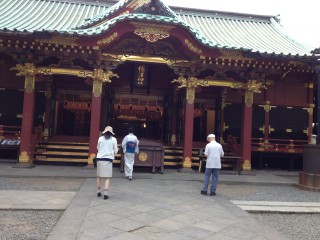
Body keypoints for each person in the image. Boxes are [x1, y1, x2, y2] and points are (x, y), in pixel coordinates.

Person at [96, 126, 118, 200]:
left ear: (104, 132)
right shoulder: (114, 140)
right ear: (111, 133)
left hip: (100, 159)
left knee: (99, 176)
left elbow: (98, 148)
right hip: (108, 159)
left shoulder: (100, 138)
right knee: (107, 178)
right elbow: (116, 150)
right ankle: (105, 194)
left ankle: (98, 191)